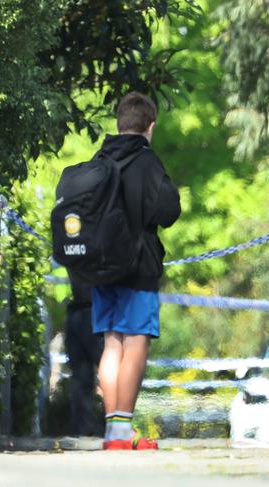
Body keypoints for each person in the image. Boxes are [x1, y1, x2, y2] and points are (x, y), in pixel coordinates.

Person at [92, 92, 181, 450]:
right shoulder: (147, 162)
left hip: (99, 268)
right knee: (137, 340)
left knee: (112, 342)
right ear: (150, 126)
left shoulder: (99, 158)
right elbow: (169, 211)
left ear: (119, 123)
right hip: (137, 265)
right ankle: (123, 430)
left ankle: (113, 433)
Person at [64, 275, 104, 436]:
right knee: (112, 370)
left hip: (77, 312)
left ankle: (81, 429)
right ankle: (117, 427)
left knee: (81, 378)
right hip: (97, 310)